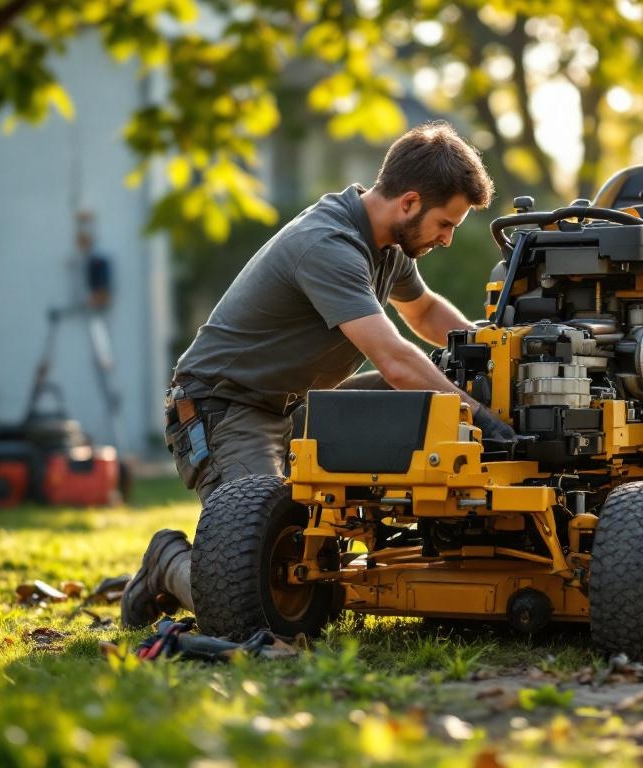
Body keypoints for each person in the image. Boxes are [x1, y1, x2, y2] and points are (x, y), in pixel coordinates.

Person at [122, 121, 516, 628]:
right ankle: (167, 565)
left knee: (442, 381)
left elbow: (423, 315)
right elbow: (394, 360)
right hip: (222, 408)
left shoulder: (390, 245)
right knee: (259, 578)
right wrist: (480, 417)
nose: (446, 238)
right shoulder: (328, 244)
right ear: (410, 202)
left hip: (297, 405)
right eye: (446, 223)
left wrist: (493, 351)